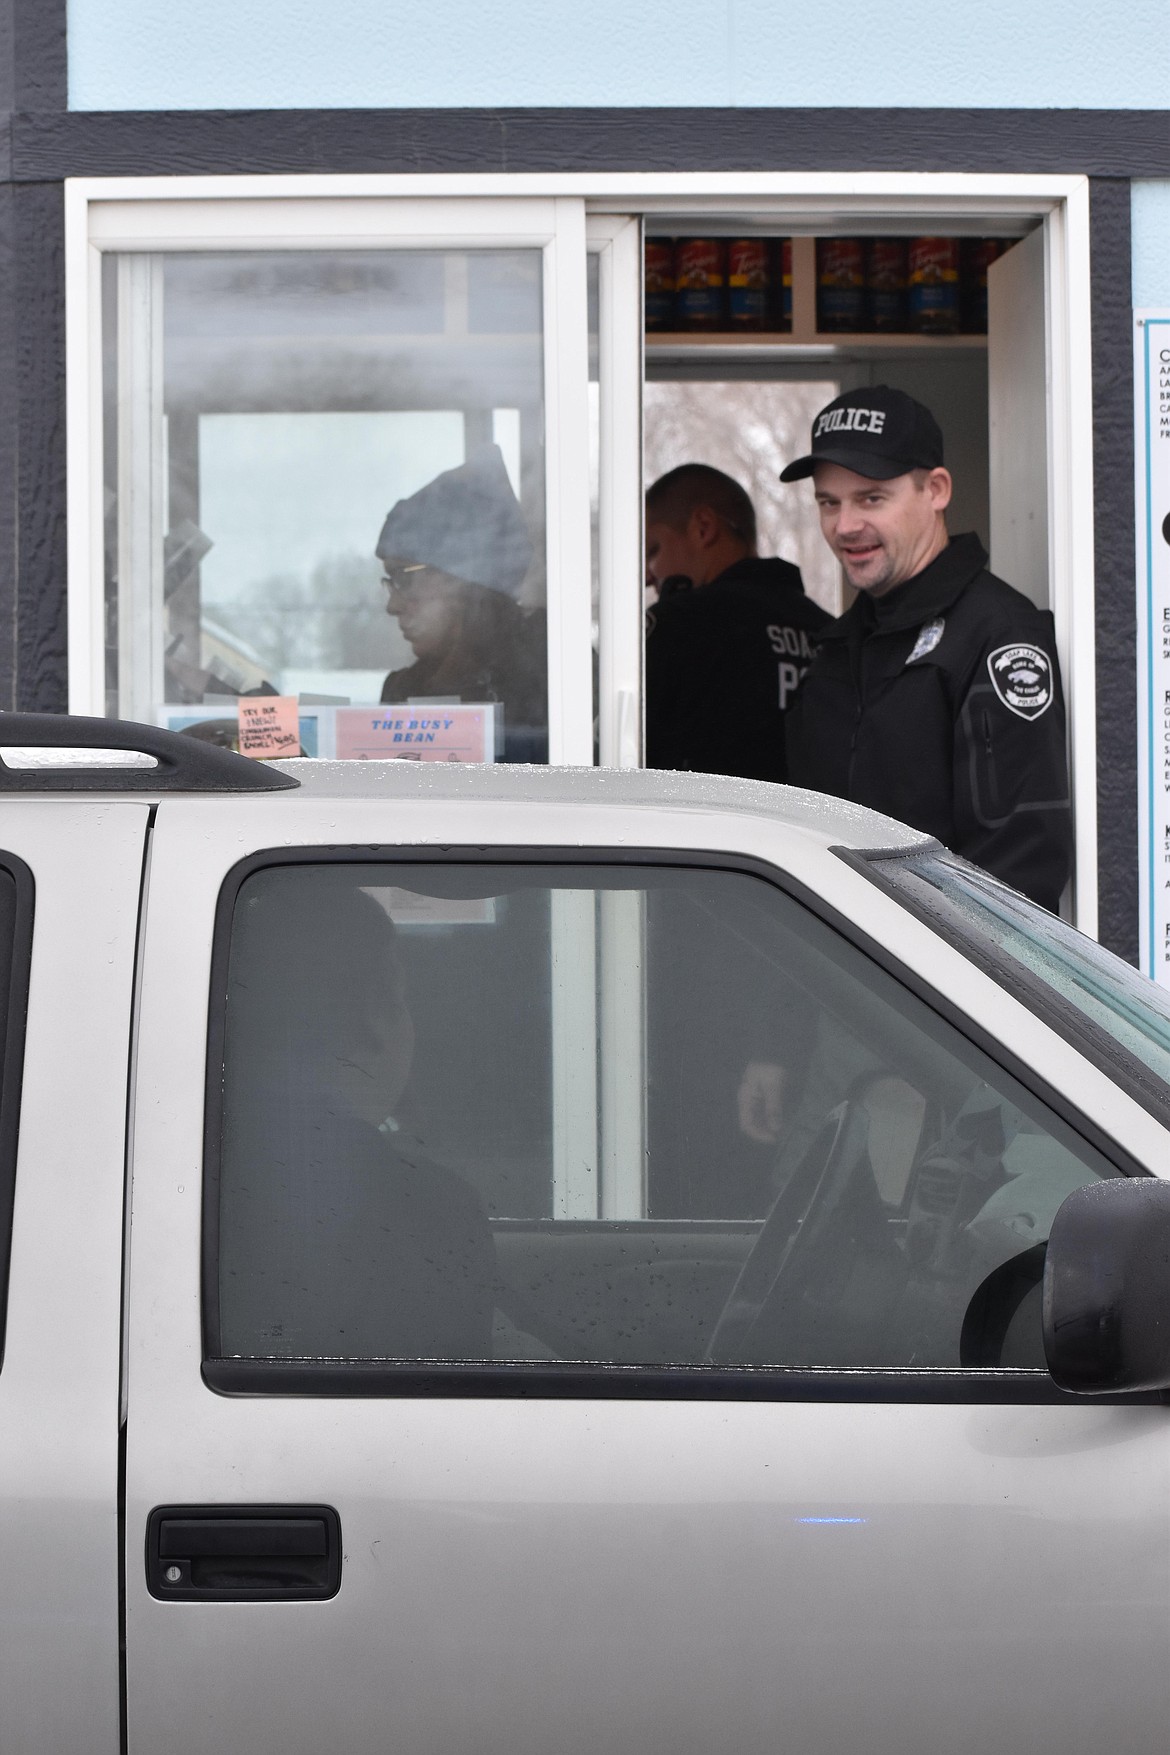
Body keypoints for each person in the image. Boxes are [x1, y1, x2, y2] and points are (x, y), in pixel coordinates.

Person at [781, 385, 1072, 913]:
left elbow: (1019, 874)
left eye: (871, 498)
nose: (845, 526)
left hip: (931, 985)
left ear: (935, 490)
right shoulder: (838, 648)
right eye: (829, 502)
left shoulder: (999, 636)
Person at [644, 464, 831, 784]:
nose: (648, 575)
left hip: (696, 829)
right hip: (817, 832)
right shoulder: (830, 631)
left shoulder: (679, 625)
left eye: (653, 550)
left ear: (704, 527)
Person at [375, 444, 546, 759]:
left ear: (464, 578)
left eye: (403, 576)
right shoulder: (404, 689)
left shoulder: (553, 675)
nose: (392, 606)